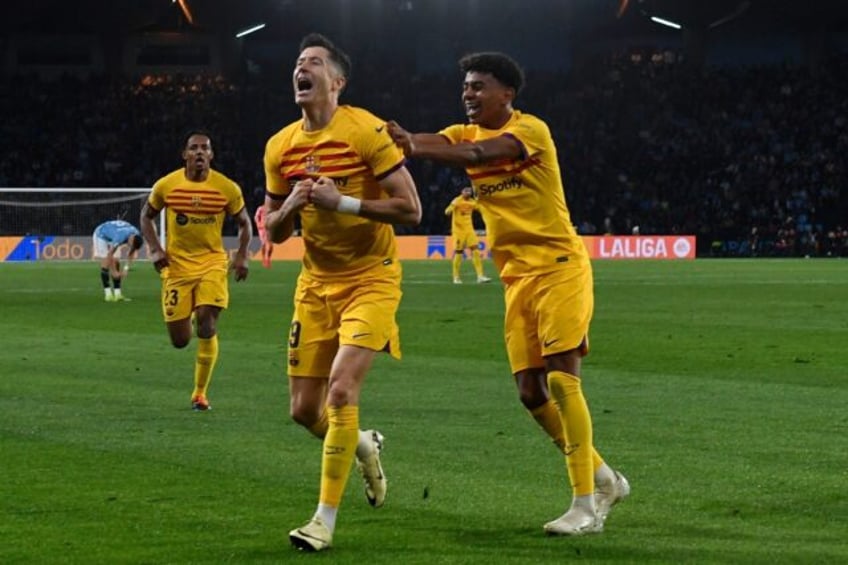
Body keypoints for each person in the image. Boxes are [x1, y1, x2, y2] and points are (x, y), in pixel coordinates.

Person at [388, 52, 629, 536]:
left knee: (562, 380)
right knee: (529, 392)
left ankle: (585, 503)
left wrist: (410, 145)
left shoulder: (530, 131)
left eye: (478, 86)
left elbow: (477, 156)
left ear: (507, 94)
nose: (468, 94)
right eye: (465, 87)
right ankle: (606, 478)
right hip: (516, 279)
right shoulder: (462, 133)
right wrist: (391, 138)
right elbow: (446, 142)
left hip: (560, 267)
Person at [263, 33, 421, 552]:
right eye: (297, 62)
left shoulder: (367, 130)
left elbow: (411, 210)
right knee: (304, 411)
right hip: (315, 285)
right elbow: (279, 232)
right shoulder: (280, 146)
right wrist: (290, 208)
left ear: (337, 80)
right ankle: (361, 443)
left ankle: (323, 521)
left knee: (340, 391)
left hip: (372, 278)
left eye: (312, 62)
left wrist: (342, 203)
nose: (300, 69)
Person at [139, 131, 251, 411]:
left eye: (205, 148)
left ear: (211, 155)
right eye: (194, 148)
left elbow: (245, 224)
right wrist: (155, 248)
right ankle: (186, 314)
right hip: (177, 266)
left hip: (212, 263)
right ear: (185, 154)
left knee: (207, 322)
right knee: (179, 341)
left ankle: (200, 393)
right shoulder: (167, 185)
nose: (200, 153)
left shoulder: (227, 188)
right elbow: (146, 216)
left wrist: (241, 255)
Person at [444, 185, 492, 284]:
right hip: (458, 231)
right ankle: (456, 277)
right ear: (462, 192)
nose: (468, 192)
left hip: (469, 230)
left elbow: (481, 209)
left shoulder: (472, 202)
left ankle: (480, 276)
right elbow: (447, 211)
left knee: (475, 250)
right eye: (466, 191)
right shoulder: (457, 201)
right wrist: (450, 209)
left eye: (469, 191)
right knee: (459, 252)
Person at [92, 219, 143, 302]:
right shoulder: (120, 236)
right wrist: (113, 271)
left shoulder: (136, 235)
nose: (130, 247)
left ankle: (118, 294)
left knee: (116, 262)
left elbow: (131, 252)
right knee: (106, 262)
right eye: (130, 245)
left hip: (112, 234)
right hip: (101, 235)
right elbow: (110, 254)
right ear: (131, 239)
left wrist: (126, 269)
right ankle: (108, 294)